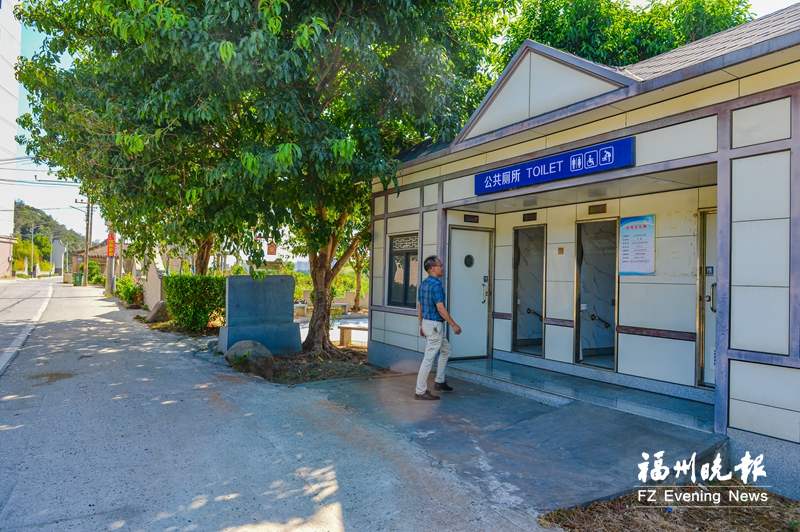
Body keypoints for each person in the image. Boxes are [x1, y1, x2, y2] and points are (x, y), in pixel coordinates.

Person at [415, 255, 461, 400]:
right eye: (440, 265)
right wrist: (454, 324)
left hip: (429, 324)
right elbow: (440, 308)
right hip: (435, 325)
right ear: (434, 268)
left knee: (446, 349)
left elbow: (419, 306)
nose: (443, 267)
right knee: (428, 359)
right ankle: (420, 391)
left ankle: (439, 382)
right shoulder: (436, 285)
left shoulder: (423, 284)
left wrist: (421, 324)